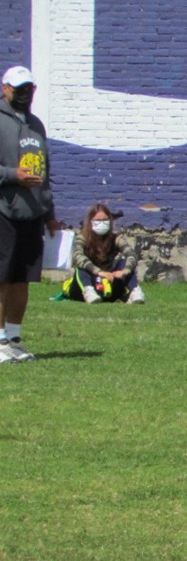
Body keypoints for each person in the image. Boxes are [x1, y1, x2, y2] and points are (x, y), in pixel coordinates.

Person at [0, 65, 60, 363]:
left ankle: (13, 338)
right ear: (5, 88)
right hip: (3, 212)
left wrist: (49, 212)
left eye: (29, 88)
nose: (25, 94)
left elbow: (44, 172)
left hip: (32, 213)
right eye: (19, 88)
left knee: (23, 279)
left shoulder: (37, 125)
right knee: (2, 278)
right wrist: (13, 175)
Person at [66, 204, 146, 305]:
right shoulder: (82, 238)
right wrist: (98, 272)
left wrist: (125, 271)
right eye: (98, 220)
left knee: (123, 262)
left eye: (105, 220)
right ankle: (88, 292)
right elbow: (77, 256)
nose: (101, 223)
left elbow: (131, 254)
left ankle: (135, 291)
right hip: (87, 281)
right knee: (81, 267)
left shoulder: (115, 238)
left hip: (108, 280)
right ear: (90, 222)